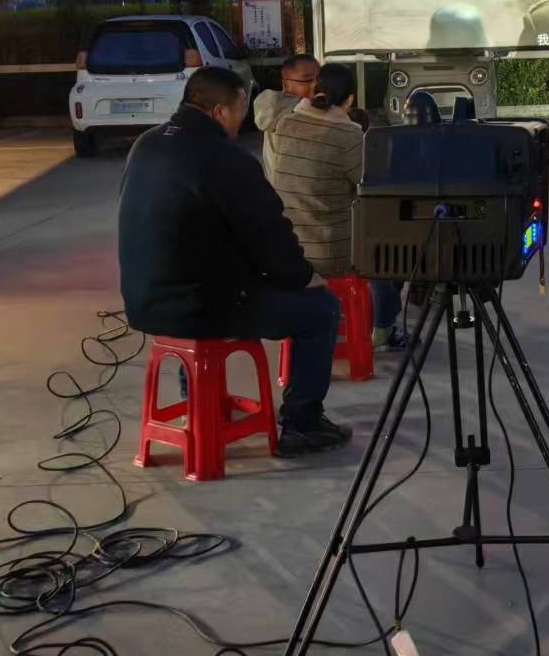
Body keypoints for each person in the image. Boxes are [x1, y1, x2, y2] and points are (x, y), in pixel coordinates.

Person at [116, 66, 351, 456]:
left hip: (144, 301)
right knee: (321, 310)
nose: (242, 122)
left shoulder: (146, 143)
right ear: (219, 112)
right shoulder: (226, 158)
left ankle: (198, 401)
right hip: (200, 306)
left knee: (202, 277)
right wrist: (301, 277)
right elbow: (270, 237)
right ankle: (303, 423)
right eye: (241, 111)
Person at [262, 63, 366, 280]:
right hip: (331, 254)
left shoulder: (284, 124)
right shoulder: (348, 135)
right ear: (350, 99)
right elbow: (366, 185)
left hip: (289, 246)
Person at [255, 53, 320, 184]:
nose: (316, 85)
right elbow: (268, 115)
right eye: (308, 80)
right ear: (286, 85)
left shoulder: (319, 105)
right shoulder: (276, 107)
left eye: (319, 79)